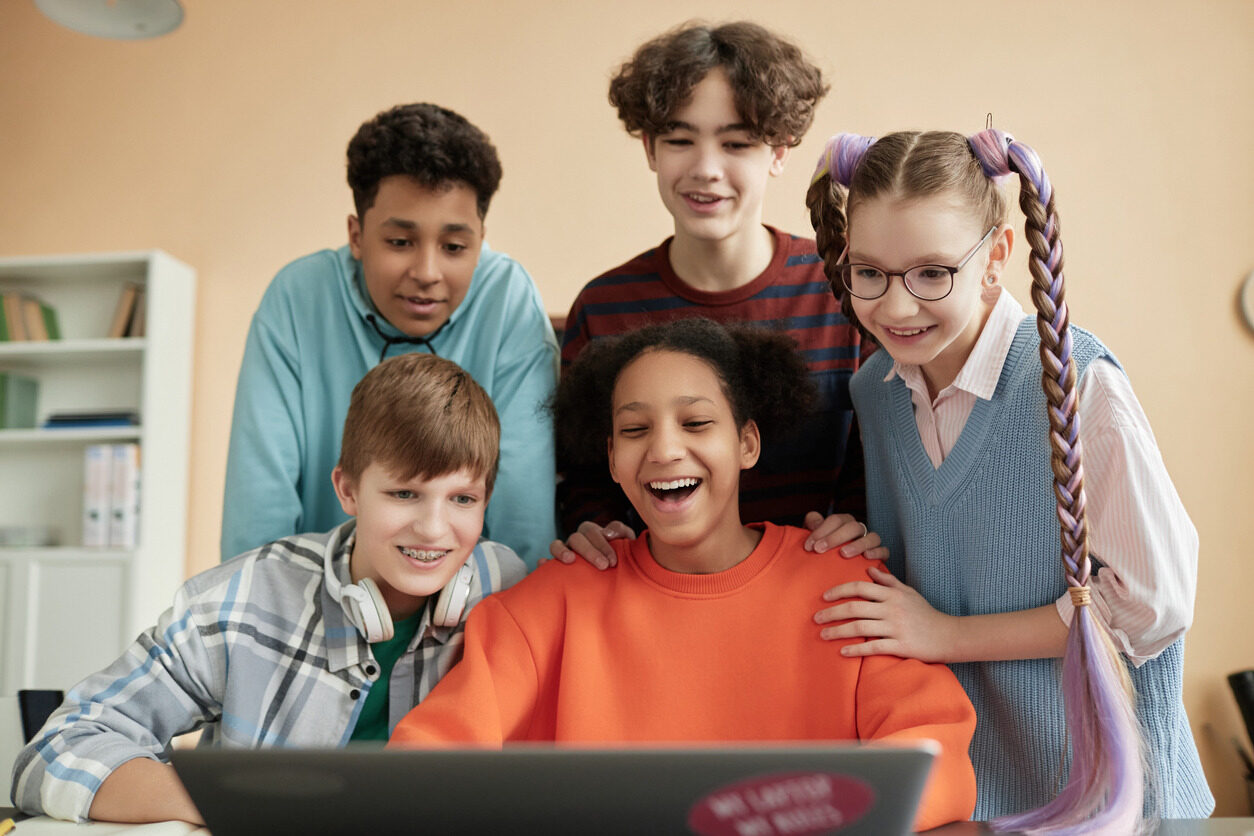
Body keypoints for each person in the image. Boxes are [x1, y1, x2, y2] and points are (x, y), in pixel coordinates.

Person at [391, 318, 978, 832]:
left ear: (747, 442)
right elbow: (424, 771)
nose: (665, 449)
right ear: (613, 459)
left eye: (696, 423)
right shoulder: (549, 605)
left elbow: (938, 765)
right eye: (636, 430)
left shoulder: (847, 585)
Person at [804, 129, 1214, 826]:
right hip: (969, 800)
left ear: (996, 257)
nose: (896, 308)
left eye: (932, 273)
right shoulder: (875, 391)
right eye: (868, 272)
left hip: (1112, 806)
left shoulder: (1077, 387)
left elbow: (1152, 606)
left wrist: (947, 636)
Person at [12, 354, 527, 824]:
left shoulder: (511, 592)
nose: (435, 530)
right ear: (347, 490)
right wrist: (233, 802)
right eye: (404, 493)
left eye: (462, 499)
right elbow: (56, 749)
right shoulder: (240, 599)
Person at [554, 22, 873, 569]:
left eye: (736, 143)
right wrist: (594, 525)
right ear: (651, 148)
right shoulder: (604, 307)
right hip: (653, 600)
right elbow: (584, 475)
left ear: (779, 151)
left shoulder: (845, 289)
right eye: (680, 140)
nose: (706, 169)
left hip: (816, 591)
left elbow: (879, 459)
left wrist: (858, 517)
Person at [222, 102, 557, 569]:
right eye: (400, 242)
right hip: (310, 598)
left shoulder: (509, 298)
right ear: (357, 236)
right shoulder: (296, 298)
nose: (427, 273)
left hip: (467, 601)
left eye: (455, 247)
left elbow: (525, 511)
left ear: (481, 238)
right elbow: (260, 499)